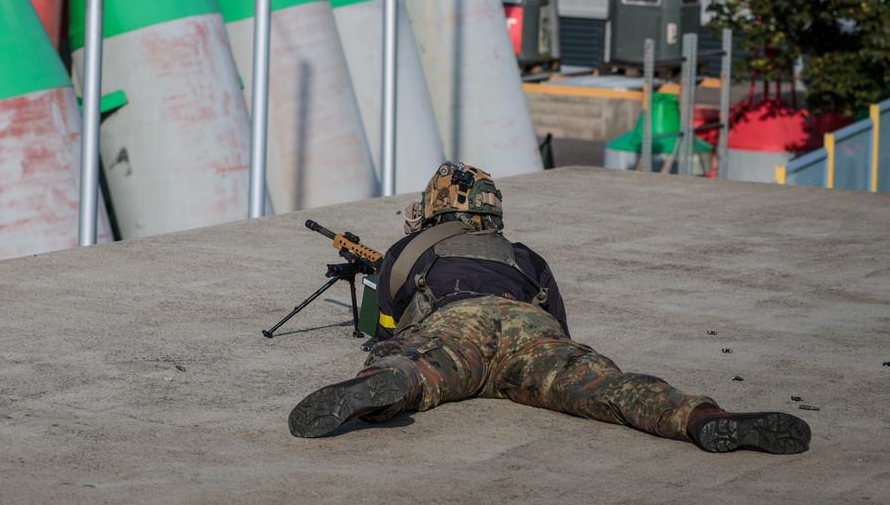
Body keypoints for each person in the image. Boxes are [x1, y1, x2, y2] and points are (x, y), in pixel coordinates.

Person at [287, 162, 811, 454]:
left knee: (411, 366)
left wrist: (391, 350)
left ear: (432, 208)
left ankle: (386, 387)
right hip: (530, 331)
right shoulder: (523, 254)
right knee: (605, 385)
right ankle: (700, 417)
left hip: (457, 325)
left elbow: (384, 324)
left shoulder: (412, 249)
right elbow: (558, 324)